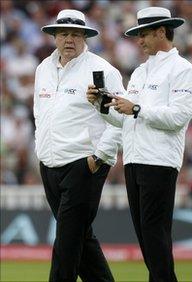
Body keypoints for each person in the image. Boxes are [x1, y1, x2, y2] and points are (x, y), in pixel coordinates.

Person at [87, 7, 192, 282]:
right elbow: (126, 119)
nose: (139, 40)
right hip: (134, 160)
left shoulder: (183, 70)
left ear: (162, 32)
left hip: (160, 161)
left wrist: (137, 108)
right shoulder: (139, 72)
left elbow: (178, 117)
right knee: (146, 236)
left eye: (144, 34)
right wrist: (102, 107)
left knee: (154, 235)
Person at [33, 9, 125, 282]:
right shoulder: (42, 69)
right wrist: (42, 148)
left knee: (67, 242)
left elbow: (120, 119)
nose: (69, 39)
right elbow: (40, 113)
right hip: (49, 164)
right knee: (79, 238)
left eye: (75, 34)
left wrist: (98, 158)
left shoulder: (102, 70)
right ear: (54, 37)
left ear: (85, 36)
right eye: (63, 34)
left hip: (83, 164)